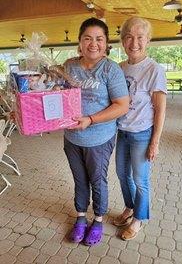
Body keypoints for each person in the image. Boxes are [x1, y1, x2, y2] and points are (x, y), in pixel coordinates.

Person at [51, 17, 129, 246]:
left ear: (106, 44)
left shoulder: (110, 69)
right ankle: (80, 217)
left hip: (99, 138)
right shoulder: (70, 66)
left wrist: (91, 119)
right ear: (79, 42)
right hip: (72, 137)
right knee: (79, 180)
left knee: (97, 180)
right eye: (88, 38)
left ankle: (98, 219)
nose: (93, 43)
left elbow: (122, 105)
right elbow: (56, 95)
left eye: (99, 39)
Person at [113, 16, 167, 240]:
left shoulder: (154, 70)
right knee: (122, 174)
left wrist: (155, 142)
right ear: (123, 41)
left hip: (142, 134)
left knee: (140, 179)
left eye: (140, 38)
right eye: (129, 37)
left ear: (148, 41)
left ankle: (139, 218)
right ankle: (129, 207)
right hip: (122, 132)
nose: (134, 43)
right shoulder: (119, 68)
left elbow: (160, 109)